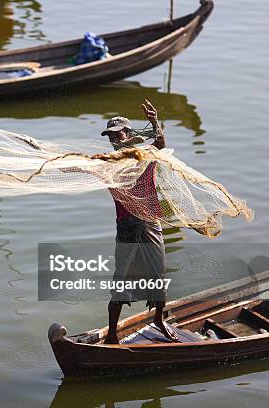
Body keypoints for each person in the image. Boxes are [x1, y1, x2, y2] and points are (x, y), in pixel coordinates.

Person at [102, 100, 179, 344]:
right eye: (111, 135)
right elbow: (79, 168)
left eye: (118, 134)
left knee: (158, 273)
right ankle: (112, 334)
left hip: (149, 222)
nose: (114, 139)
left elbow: (161, 144)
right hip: (126, 226)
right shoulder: (107, 162)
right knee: (121, 278)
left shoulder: (144, 155)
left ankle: (158, 319)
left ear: (128, 133)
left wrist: (155, 121)